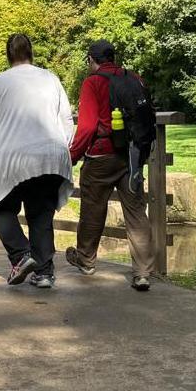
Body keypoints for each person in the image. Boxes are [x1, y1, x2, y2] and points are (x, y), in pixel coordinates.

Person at [0, 34, 75, 288]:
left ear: (8, 55)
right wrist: (62, 147)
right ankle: (44, 273)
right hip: (50, 156)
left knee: (0, 205)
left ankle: (20, 255)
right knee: (41, 214)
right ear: (31, 53)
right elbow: (67, 120)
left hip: (11, 159)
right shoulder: (50, 79)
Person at [66, 40, 155, 291]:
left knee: (93, 208)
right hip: (132, 156)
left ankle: (86, 260)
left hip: (102, 156)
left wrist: (72, 155)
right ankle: (142, 272)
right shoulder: (135, 78)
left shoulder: (93, 82)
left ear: (91, 60)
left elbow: (86, 127)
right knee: (136, 212)